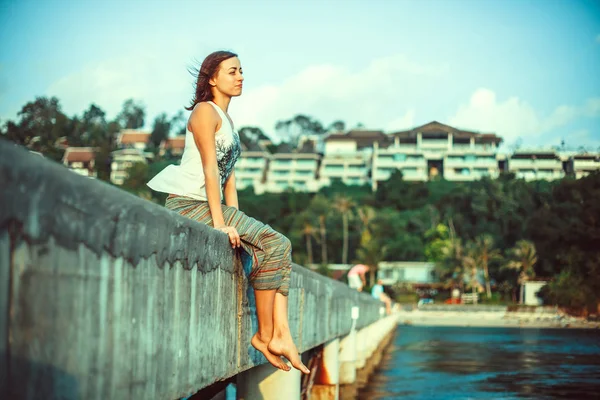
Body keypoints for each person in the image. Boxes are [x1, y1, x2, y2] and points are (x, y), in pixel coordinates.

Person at [147, 50, 309, 374]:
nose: (240, 77)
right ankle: (265, 336)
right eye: (233, 71)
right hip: (188, 203)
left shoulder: (230, 123)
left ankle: (283, 334)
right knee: (276, 243)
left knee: (276, 248)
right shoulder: (204, 113)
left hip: (210, 204)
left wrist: (242, 228)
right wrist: (221, 225)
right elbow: (209, 170)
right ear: (212, 78)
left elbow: (228, 181)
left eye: (241, 71)